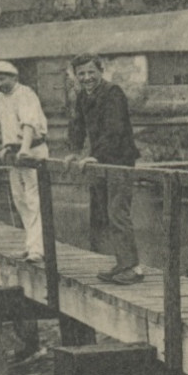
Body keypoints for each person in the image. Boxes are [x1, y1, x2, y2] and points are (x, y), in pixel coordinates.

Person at [66, 53, 142, 284]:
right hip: (102, 161)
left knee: (118, 213)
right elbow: (77, 124)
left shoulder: (113, 93)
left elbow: (115, 130)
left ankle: (134, 269)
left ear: (100, 71)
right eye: (81, 74)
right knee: (107, 214)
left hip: (119, 161)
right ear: (75, 76)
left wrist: (95, 156)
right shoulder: (81, 96)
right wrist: (75, 151)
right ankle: (122, 263)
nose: (87, 78)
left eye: (91, 72)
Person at [0, 60, 49, 265]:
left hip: (32, 149)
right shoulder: (0, 97)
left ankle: (38, 249)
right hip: (15, 153)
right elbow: (6, 123)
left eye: (3, 78)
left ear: (14, 77)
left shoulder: (25, 94)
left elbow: (28, 124)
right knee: (19, 199)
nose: (0, 83)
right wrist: (7, 146)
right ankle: (31, 245)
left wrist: (24, 149)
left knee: (34, 199)